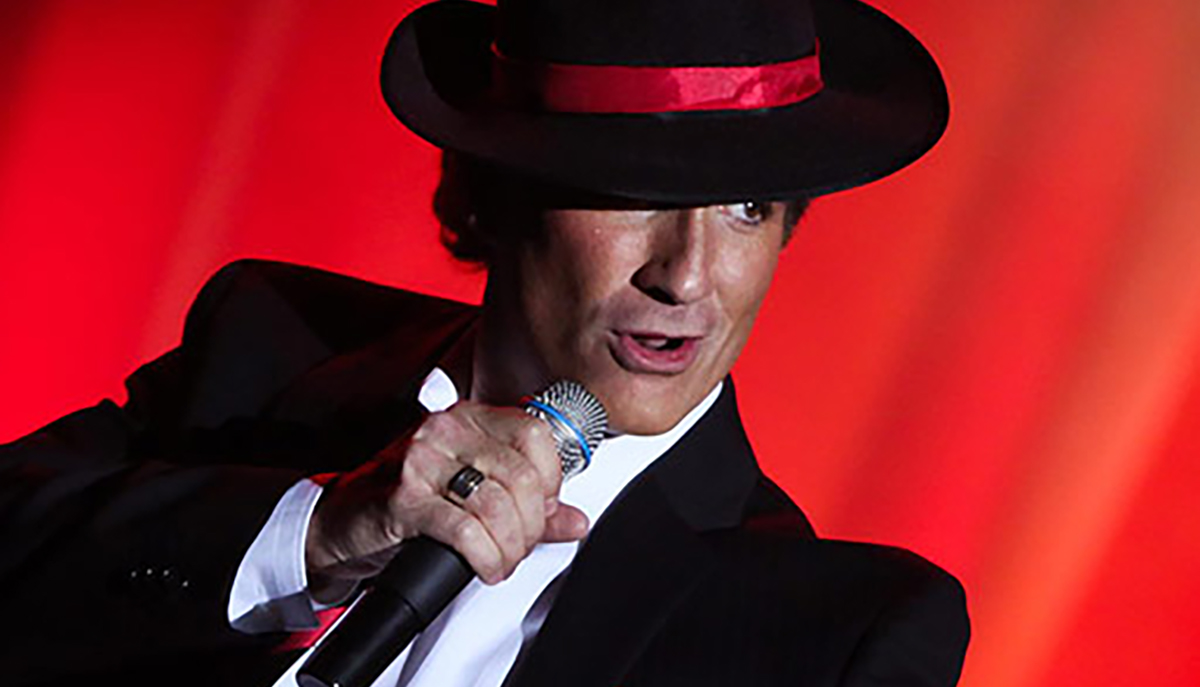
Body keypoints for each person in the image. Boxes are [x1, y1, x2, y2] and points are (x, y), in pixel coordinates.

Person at [0, 0, 970, 685]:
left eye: (748, 209)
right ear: (490, 193)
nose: (686, 277)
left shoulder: (830, 634)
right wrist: (309, 534)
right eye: (634, 195)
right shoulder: (269, 348)